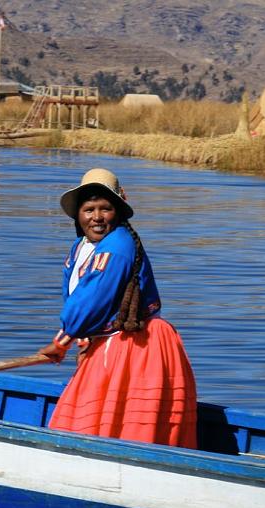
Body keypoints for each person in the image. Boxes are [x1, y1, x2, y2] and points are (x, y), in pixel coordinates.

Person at [38, 168, 197, 448]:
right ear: (78, 214)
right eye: (89, 210)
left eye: (105, 209)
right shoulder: (81, 247)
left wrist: (62, 342)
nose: (97, 217)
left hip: (136, 346)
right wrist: (82, 340)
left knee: (121, 429)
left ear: (118, 212)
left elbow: (93, 303)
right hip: (108, 340)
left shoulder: (117, 247)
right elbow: (77, 298)